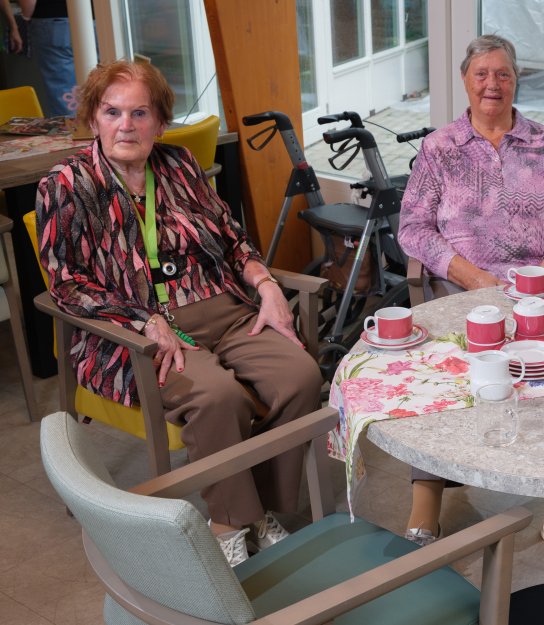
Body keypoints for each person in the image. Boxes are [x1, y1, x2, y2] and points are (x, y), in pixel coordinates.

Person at [35, 60, 322, 567]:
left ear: (160, 122)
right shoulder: (66, 184)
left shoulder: (180, 164)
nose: (126, 125)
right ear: (94, 118)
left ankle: (257, 512)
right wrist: (142, 319)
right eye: (112, 112)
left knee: (301, 376)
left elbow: (231, 238)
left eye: (140, 113)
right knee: (216, 396)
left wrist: (267, 284)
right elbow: (66, 283)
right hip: (137, 331)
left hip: (223, 308)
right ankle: (230, 525)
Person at [396, 34, 544, 575]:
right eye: (481, 73)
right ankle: (425, 506)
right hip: (464, 290)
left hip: (542, 291)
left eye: (502, 73)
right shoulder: (440, 148)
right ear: (465, 80)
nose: (492, 84)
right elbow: (413, 228)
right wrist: (475, 278)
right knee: (439, 373)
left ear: (515, 80)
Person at [1, 0, 76, 116]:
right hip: (96, 19)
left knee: (64, 93)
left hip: (53, 21)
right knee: (94, 84)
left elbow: (28, 3)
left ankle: (74, 126)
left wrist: (25, 18)